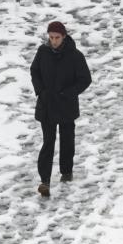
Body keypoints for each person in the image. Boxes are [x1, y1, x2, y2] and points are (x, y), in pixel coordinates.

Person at [29, 20, 91, 197]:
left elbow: (85, 79)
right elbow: (34, 71)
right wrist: (41, 91)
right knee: (48, 142)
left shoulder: (75, 56)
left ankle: (66, 172)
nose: (54, 41)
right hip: (47, 104)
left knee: (67, 140)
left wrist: (69, 93)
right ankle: (45, 181)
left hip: (66, 105)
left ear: (64, 36)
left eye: (57, 37)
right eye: (51, 37)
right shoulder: (42, 52)